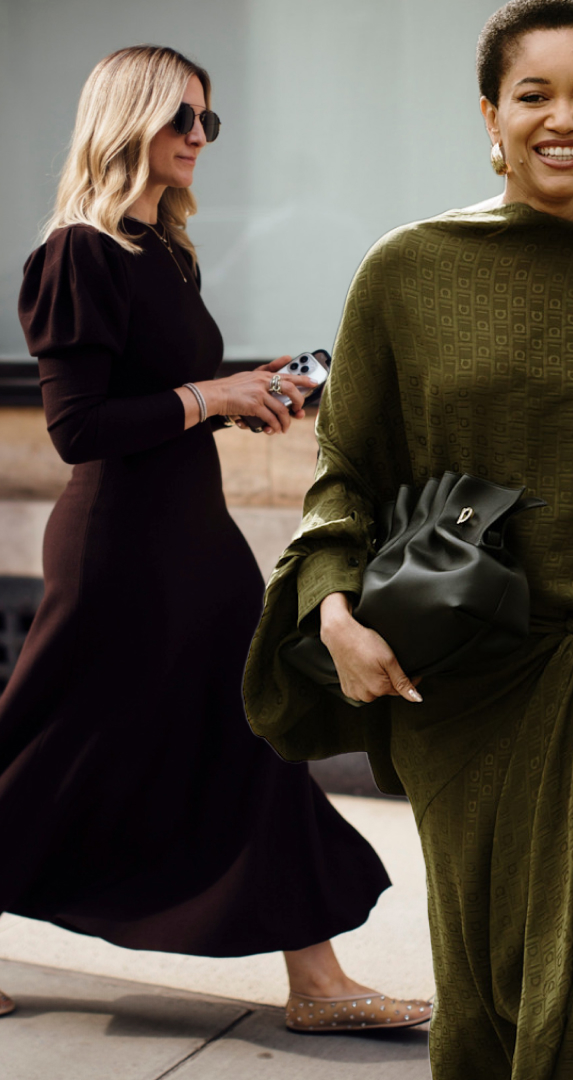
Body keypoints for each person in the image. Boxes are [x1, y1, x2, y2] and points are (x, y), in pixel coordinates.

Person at [243, 1, 573, 1076]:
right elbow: (347, 473)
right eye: (535, 94)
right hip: (465, 679)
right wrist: (333, 608)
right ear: (493, 114)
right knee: (485, 979)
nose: (562, 118)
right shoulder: (409, 269)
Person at [0, 44, 430, 1034]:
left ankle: (317, 983)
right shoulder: (78, 254)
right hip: (121, 554)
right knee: (52, 751)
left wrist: (244, 395)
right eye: (180, 118)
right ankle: (319, 982)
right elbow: (78, 430)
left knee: (253, 733)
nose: (200, 138)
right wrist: (208, 397)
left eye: (209, 121)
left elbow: (155, 396)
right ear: (128, 122)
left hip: (189, 538)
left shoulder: (162, 251)